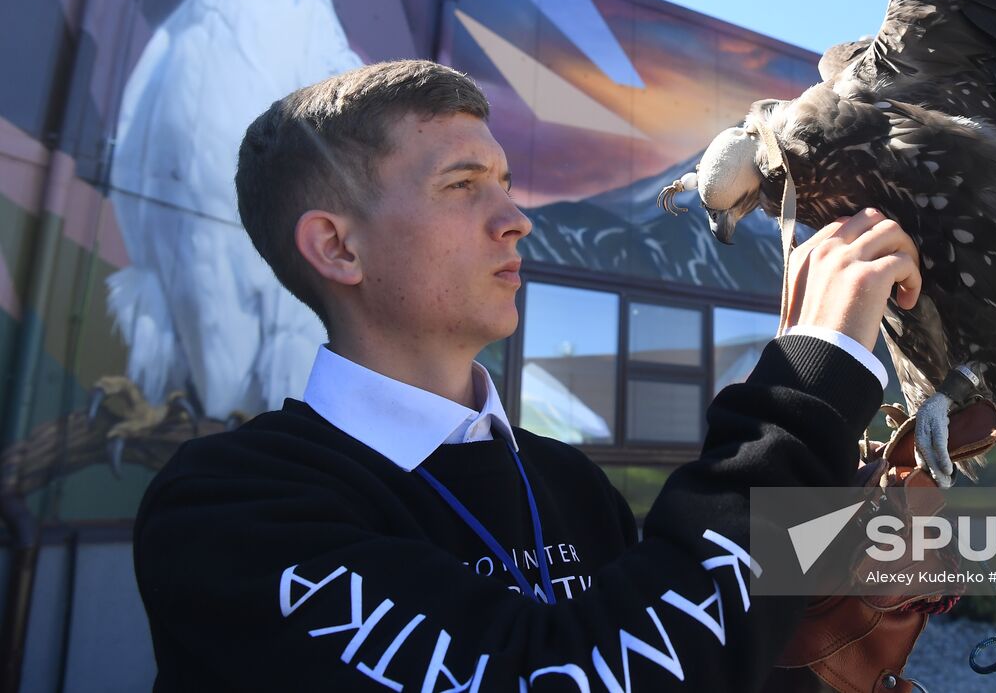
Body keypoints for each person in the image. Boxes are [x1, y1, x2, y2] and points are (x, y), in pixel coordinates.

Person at [133, 59, 922, 692]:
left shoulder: (567, 480)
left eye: (506, 182)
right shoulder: (225, 514)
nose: (516, 217)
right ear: (338, 248)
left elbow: (681, 657)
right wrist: (811, 380)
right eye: (463, 184)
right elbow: (558, 670)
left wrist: (781, 626)